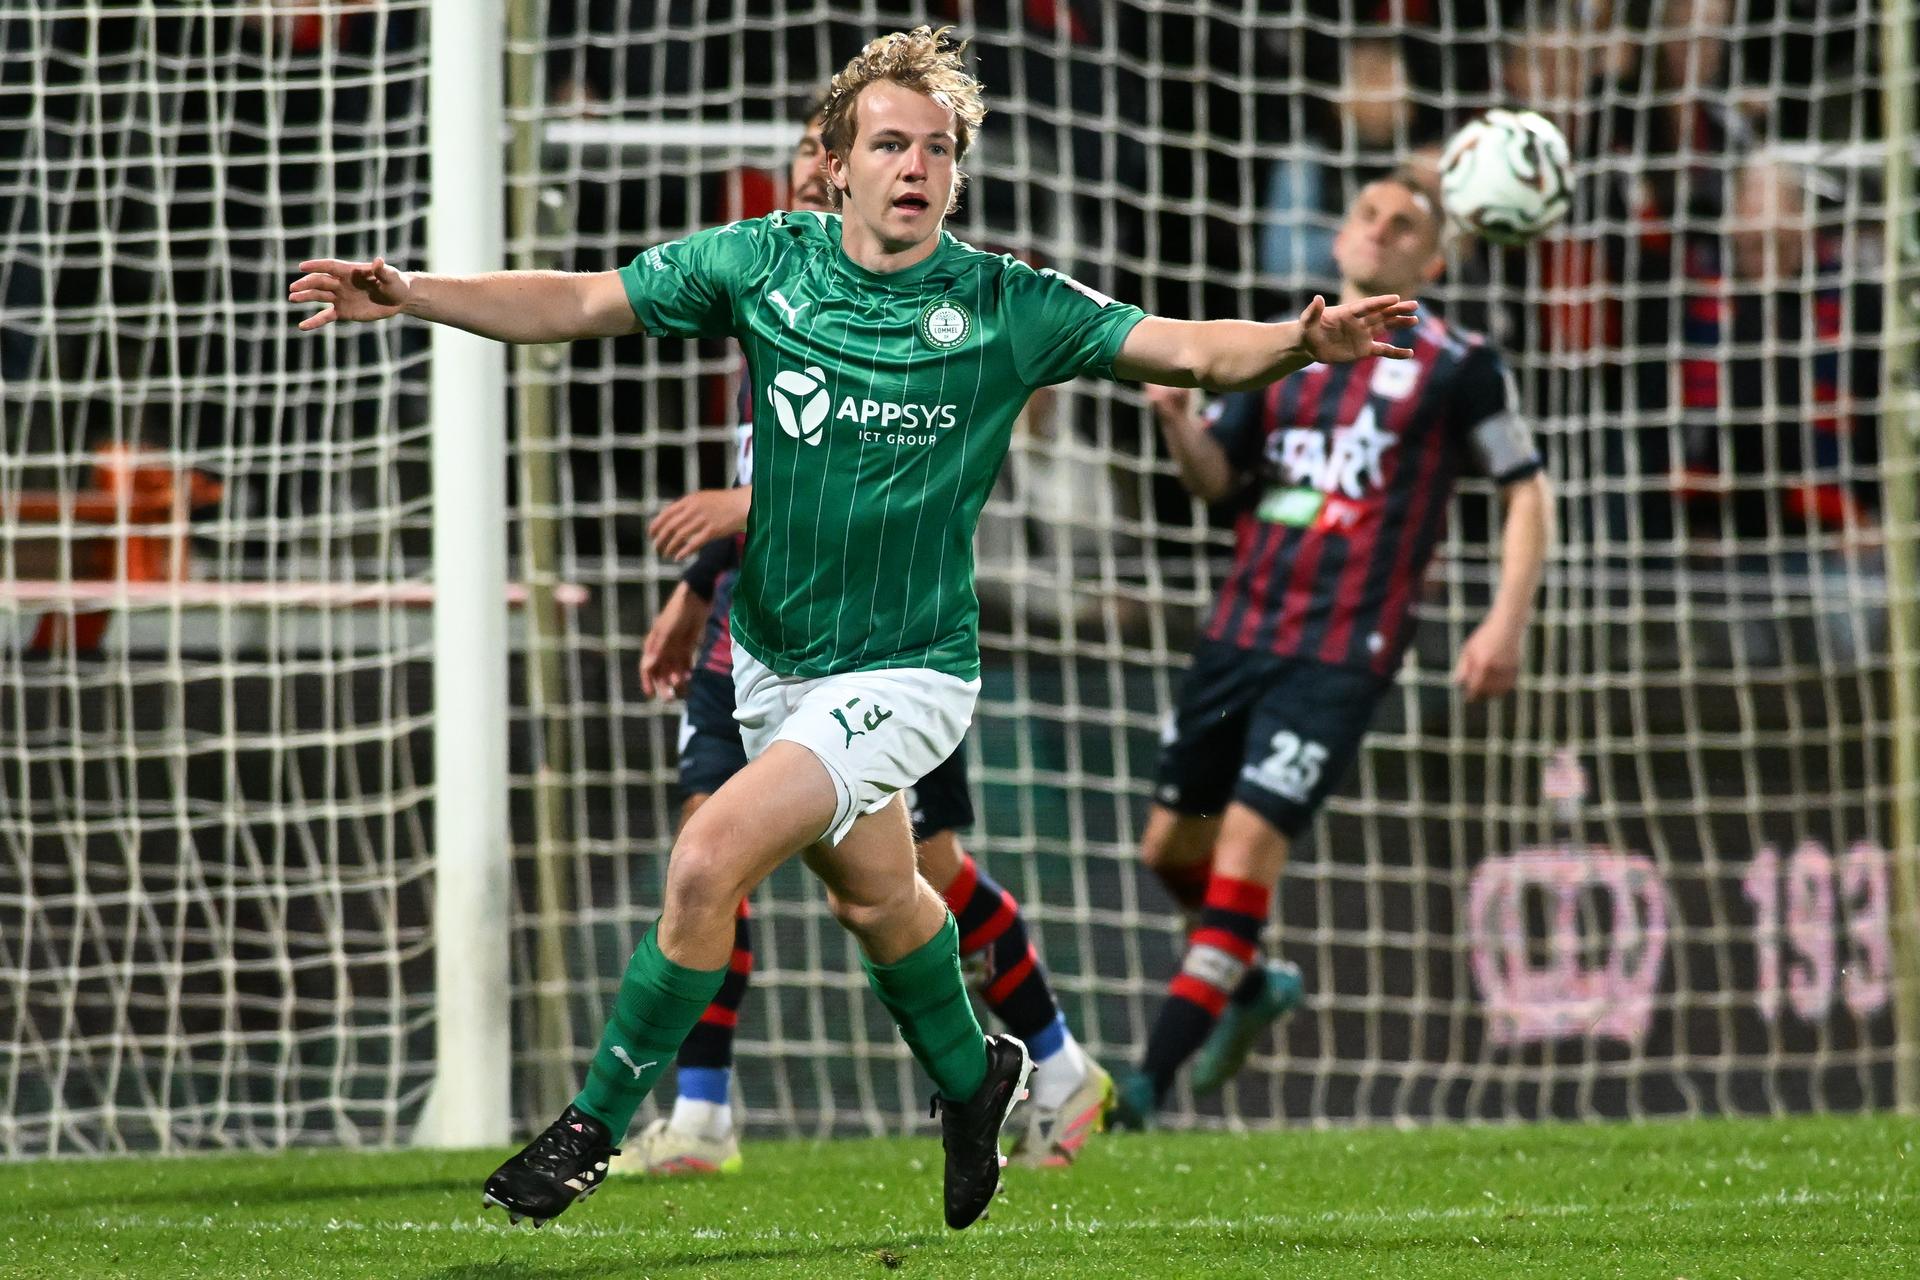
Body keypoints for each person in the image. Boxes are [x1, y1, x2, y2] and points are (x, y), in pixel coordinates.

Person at [289, 26, 1415, 1230]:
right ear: (835, 160)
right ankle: (978, 1070)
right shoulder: (764, 262)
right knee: (882, 904)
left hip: (910, 668)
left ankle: (594, 1123)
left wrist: (1302, 338)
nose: (916, 165)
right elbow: (575, 299)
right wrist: (414, 295)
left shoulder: (1005, 302)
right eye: (890, 142)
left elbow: (1187, 348)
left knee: (708, 855)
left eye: (938, 149)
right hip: (776, 655)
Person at [624, 100, 1112, 1178]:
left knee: (915, 875)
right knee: (715, 843)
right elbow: (785, 465)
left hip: (885, 632)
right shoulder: (771, 281)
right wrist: (700, 587)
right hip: (756, 627)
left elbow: (858, 481)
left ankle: (1057, 1057)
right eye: (817, 157)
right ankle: (700, 1109)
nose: (815, 176)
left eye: (915, 151)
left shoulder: (918, 297)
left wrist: (735, 513)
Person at [1115, 172, 1550, 1127]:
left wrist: (1504, 619)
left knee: (1245, 844)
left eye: (1406, 226)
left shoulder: (1462, 364)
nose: (1382, 232)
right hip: (1240, 630)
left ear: (1432, 263)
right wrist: (1181, 425)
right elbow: (1219, 488)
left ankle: (1142, 1088)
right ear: (1341, 238)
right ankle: (1254, 980)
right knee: (1166, 849)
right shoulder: (1287, 350)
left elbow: (1526, 486)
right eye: (1368, 215)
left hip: (1343, 652)